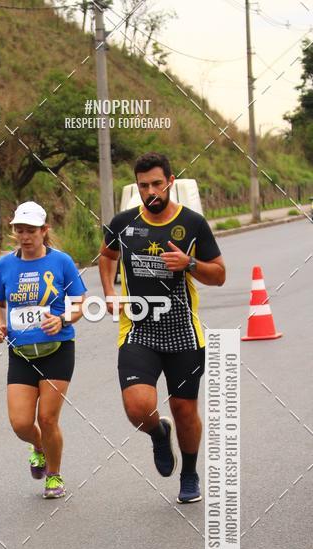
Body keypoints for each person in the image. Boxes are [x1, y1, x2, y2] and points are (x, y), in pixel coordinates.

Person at [98, 151, 226, 503]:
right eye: (143, 186)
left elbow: (219, 275)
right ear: (137, 186)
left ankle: (189, 472)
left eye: (157, 183)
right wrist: (109, 292)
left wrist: (189, 263)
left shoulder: (194, 223)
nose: (151, 191)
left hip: (183, 332)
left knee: (185, 410)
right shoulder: (122, 223)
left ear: (170, 181)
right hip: (139, 330)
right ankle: (157, 432)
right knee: (138, 407)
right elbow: (107, 256)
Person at [0, 201, 86, 498]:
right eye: (19, 230)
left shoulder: (61, 262)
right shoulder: (5, 265)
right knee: (21, 423)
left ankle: (54, 476)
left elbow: (80, 302)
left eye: (31, 230)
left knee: (47, 419)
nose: (25, 236)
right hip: (20, 352)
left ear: (45, 231)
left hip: (57, 349)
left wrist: (62, 319)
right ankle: (38, 447)